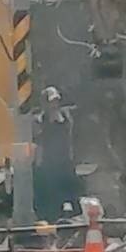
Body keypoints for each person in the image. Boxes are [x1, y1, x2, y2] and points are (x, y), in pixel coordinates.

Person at [33, 87, 84, 222]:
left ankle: (75, 218)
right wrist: (38, 163)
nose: (54, 105)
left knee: (73, 192)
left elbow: (68, 131)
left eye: (56, 101)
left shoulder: (65, 116)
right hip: (49, 164)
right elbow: (39, 142)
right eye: (51, 102)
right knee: (52, 196)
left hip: (65, 161)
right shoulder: (40, 120)